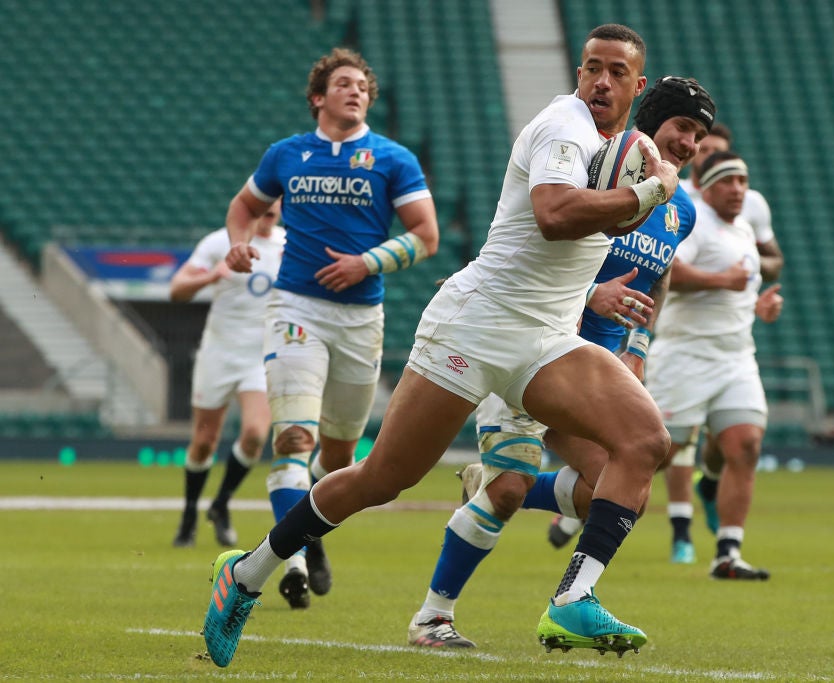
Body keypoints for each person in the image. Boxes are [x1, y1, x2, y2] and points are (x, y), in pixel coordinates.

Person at [202, 23, 683, 667]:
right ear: (578, 74)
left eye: (616, 72)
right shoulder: (564, 125)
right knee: (383, 478)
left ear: (637, 85)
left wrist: (642, 198)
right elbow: (555, 214)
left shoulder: (620, 146)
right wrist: (651, 192)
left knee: (645, 441)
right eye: (592, 67)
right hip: (476, 323)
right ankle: (247, 574)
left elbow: (602, 223)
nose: (600, 80)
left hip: (544, 339)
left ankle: (574, 599)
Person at [406, 75, 715, 649]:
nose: (691, 143)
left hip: (588, 372)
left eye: (700, 134)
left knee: (621, 487)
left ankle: (558, 587)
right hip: (529, 342)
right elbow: (537, 243)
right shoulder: (588, 166)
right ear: (650, 120)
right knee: (509, 493)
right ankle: (434, 617)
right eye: (683, 128)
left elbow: (661, 272)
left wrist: (639, 350)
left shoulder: (679, 210)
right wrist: (590, 297)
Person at [218, 47, 440, 610]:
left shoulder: (393, 159)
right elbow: (243, 207)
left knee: (340, 458)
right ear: (319, 96)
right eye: (343, 83)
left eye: (362, 85)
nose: (355, 91)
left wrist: (367, 262)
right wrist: (238, 243)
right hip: (296, 309)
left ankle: (308, 532)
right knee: (293, 439)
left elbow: (426, 236)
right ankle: (289, 561)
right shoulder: (286, 155)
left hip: (362, 318)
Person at [645, 150, 784, 580]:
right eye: (727, 181)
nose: (738, 189)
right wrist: (722, 281)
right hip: (685, 353)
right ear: (705, 187)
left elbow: (739, 289)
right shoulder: (694, 222)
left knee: (745, 445)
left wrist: (759, 306)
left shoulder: (743, 229)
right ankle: (573, 498)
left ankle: (728, 552)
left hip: (736, 354)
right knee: (654, 455)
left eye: (742, 181)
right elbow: (668, 269)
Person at [170, 200, 285, 548]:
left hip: (260, 356)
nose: (269, 217)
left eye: (274, 210)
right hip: (219, 352)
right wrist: (211, 276)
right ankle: (189, 513)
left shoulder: (288, 245)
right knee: (204, 442)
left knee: (254, 433)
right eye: (263, 209)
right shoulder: (219, 243)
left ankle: (220, 504)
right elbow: (177, 290)